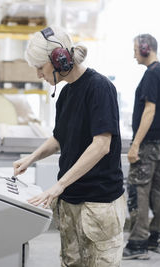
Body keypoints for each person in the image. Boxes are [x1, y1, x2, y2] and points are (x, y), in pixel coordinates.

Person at [13, 26, 126, 267]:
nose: (38, 74)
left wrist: (58, 186)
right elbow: (59, 138)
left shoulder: (99, 88)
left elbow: (101, 145)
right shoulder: (65, 94)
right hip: (70, 202)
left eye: (40, 67)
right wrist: (31, 158)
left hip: (98, 204)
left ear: (59, 60)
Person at [122, 34, 160, 260]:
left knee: (138, 190)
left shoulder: (151, 75)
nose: (133, 54)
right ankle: (158, 239)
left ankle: (137, 243)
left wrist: (135, 145)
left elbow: (150, 110)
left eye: (135, 49)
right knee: (159, 190)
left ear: (145, 49)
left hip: (148, 144)